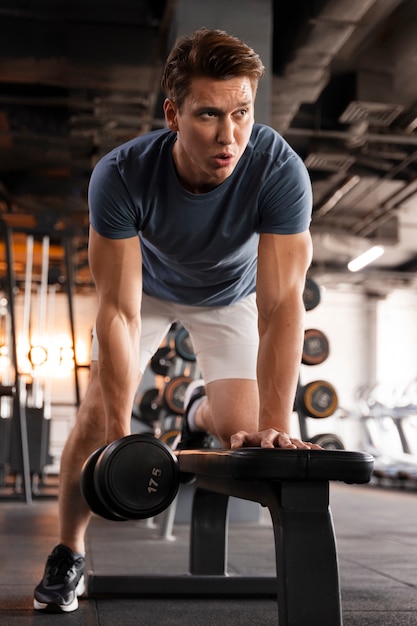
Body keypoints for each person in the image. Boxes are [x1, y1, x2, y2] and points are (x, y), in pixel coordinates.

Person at [33, 27, 320, 613]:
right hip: (150, 293)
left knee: (240, 435)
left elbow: (282, 304)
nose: (228, 136)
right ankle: (69, 551)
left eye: (241, 113)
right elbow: (117, 308)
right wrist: (118, 434)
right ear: (173, 113)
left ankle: (194, 406)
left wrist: (274, 422)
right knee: (92, 420)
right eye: (209, 115)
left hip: (231, 296)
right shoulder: (121, 175)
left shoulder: (278, 170)